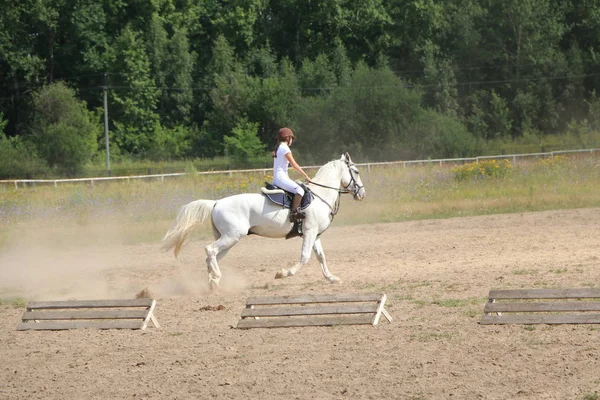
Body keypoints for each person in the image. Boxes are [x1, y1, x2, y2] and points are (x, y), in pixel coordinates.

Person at [272, 127, 310, 222]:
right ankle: (294, 214)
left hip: (278, 178)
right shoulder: (285, 148)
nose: (292, 140)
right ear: (288, 138)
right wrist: (305, 175)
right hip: (281, 178)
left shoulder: (279, 147)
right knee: (300, 190)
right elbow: (294, 165)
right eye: (292, 138)